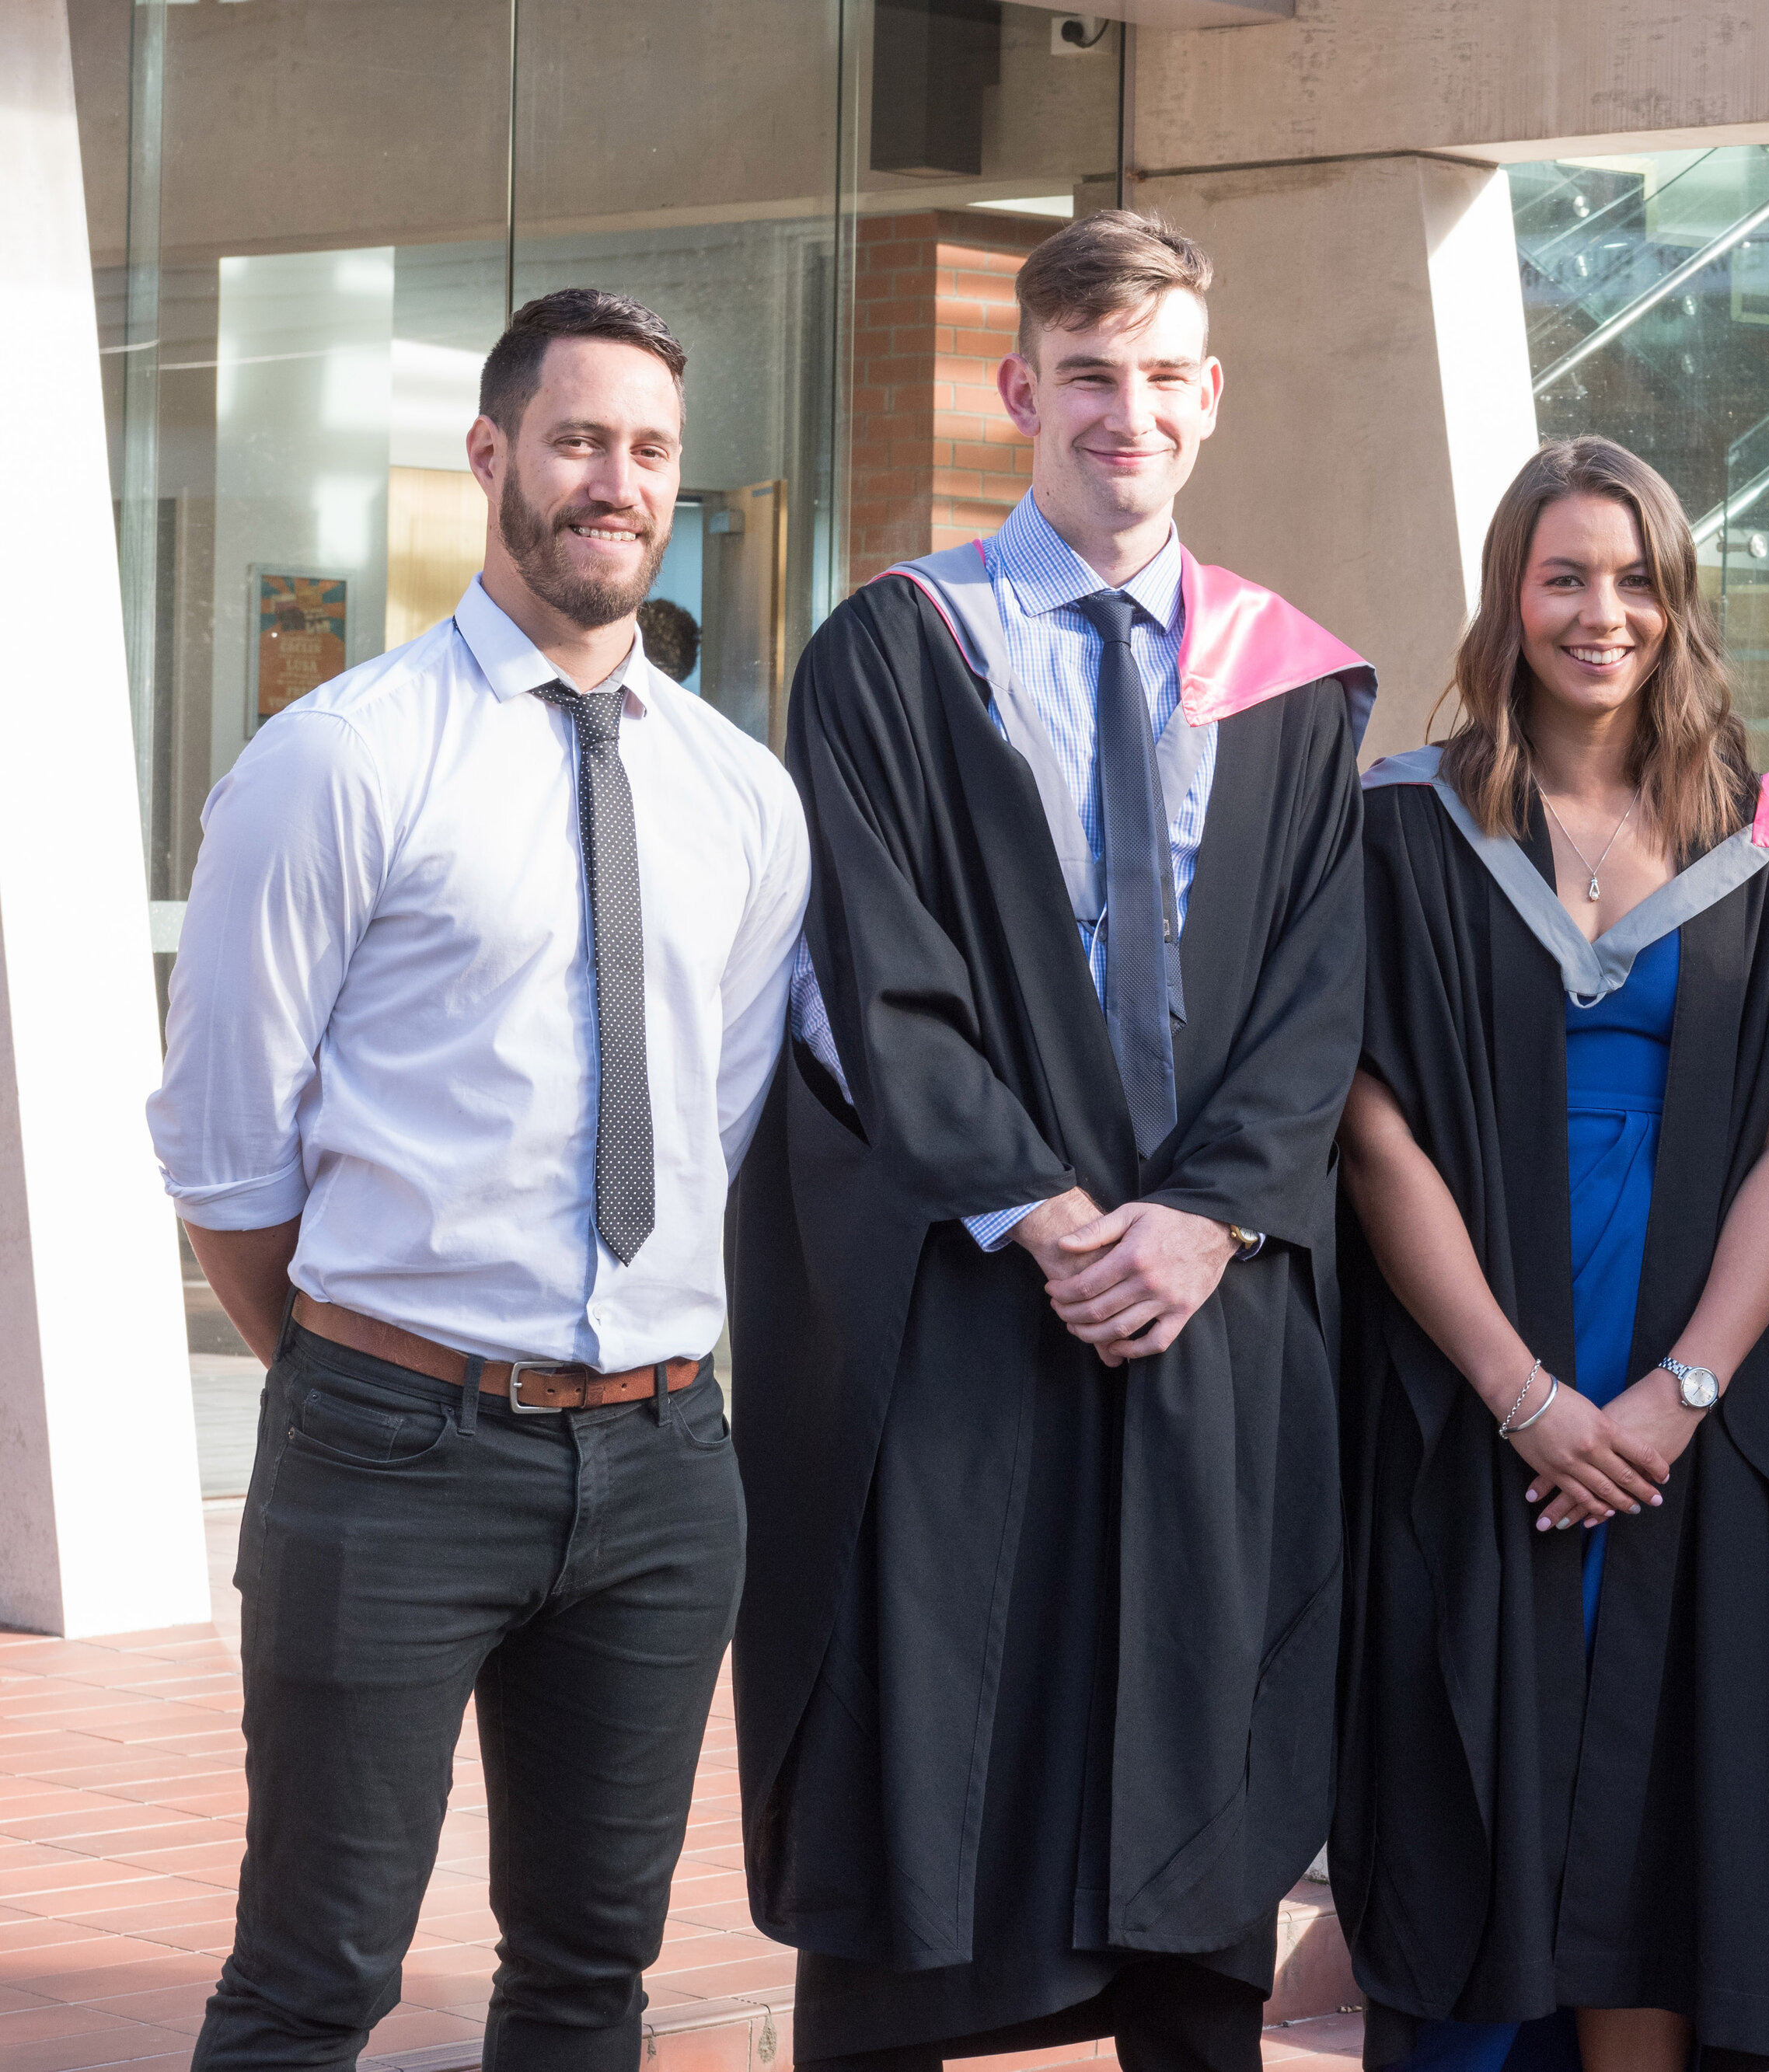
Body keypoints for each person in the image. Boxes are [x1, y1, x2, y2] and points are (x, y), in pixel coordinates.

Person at [727, 210, 1370, 2072]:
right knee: (933, 1737)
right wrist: (1052, 1215)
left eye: (1163, 377)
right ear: (1021, 389)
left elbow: (1321, 993)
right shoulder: (896, 651)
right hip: (970, 1292)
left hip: (1203, 1304)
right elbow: (867, 968)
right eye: (1088, 376)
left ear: (1209, 397)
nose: (1126, 413)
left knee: (1191, 1750)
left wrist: (1207, 1225)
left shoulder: (1297, 682)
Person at [150, 288, 811, 2071]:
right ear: (491, 454)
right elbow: (224, 1146)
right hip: (391, 1446)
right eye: (580, 439)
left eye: (651, 450)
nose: (615, 481)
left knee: (591, 1982)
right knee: (313, 1979)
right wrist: (361, 1376)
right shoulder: (341, 758)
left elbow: (718, 1118)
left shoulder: (745, 799)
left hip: (669, 1467)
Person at [1335, 438, 1769, 2072]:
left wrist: (1677, 1391)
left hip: (1684, 1409)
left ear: (1676, 600)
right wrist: (1524, 1397)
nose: (1599, 610)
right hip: (1471, 1398)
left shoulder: (1764, 837)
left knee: (1665, 1807)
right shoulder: (1404, 827)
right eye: (1563, 574)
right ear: (1509, 593)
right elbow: (1372, 1130)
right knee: (1466, 1781)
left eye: (1633, 577)